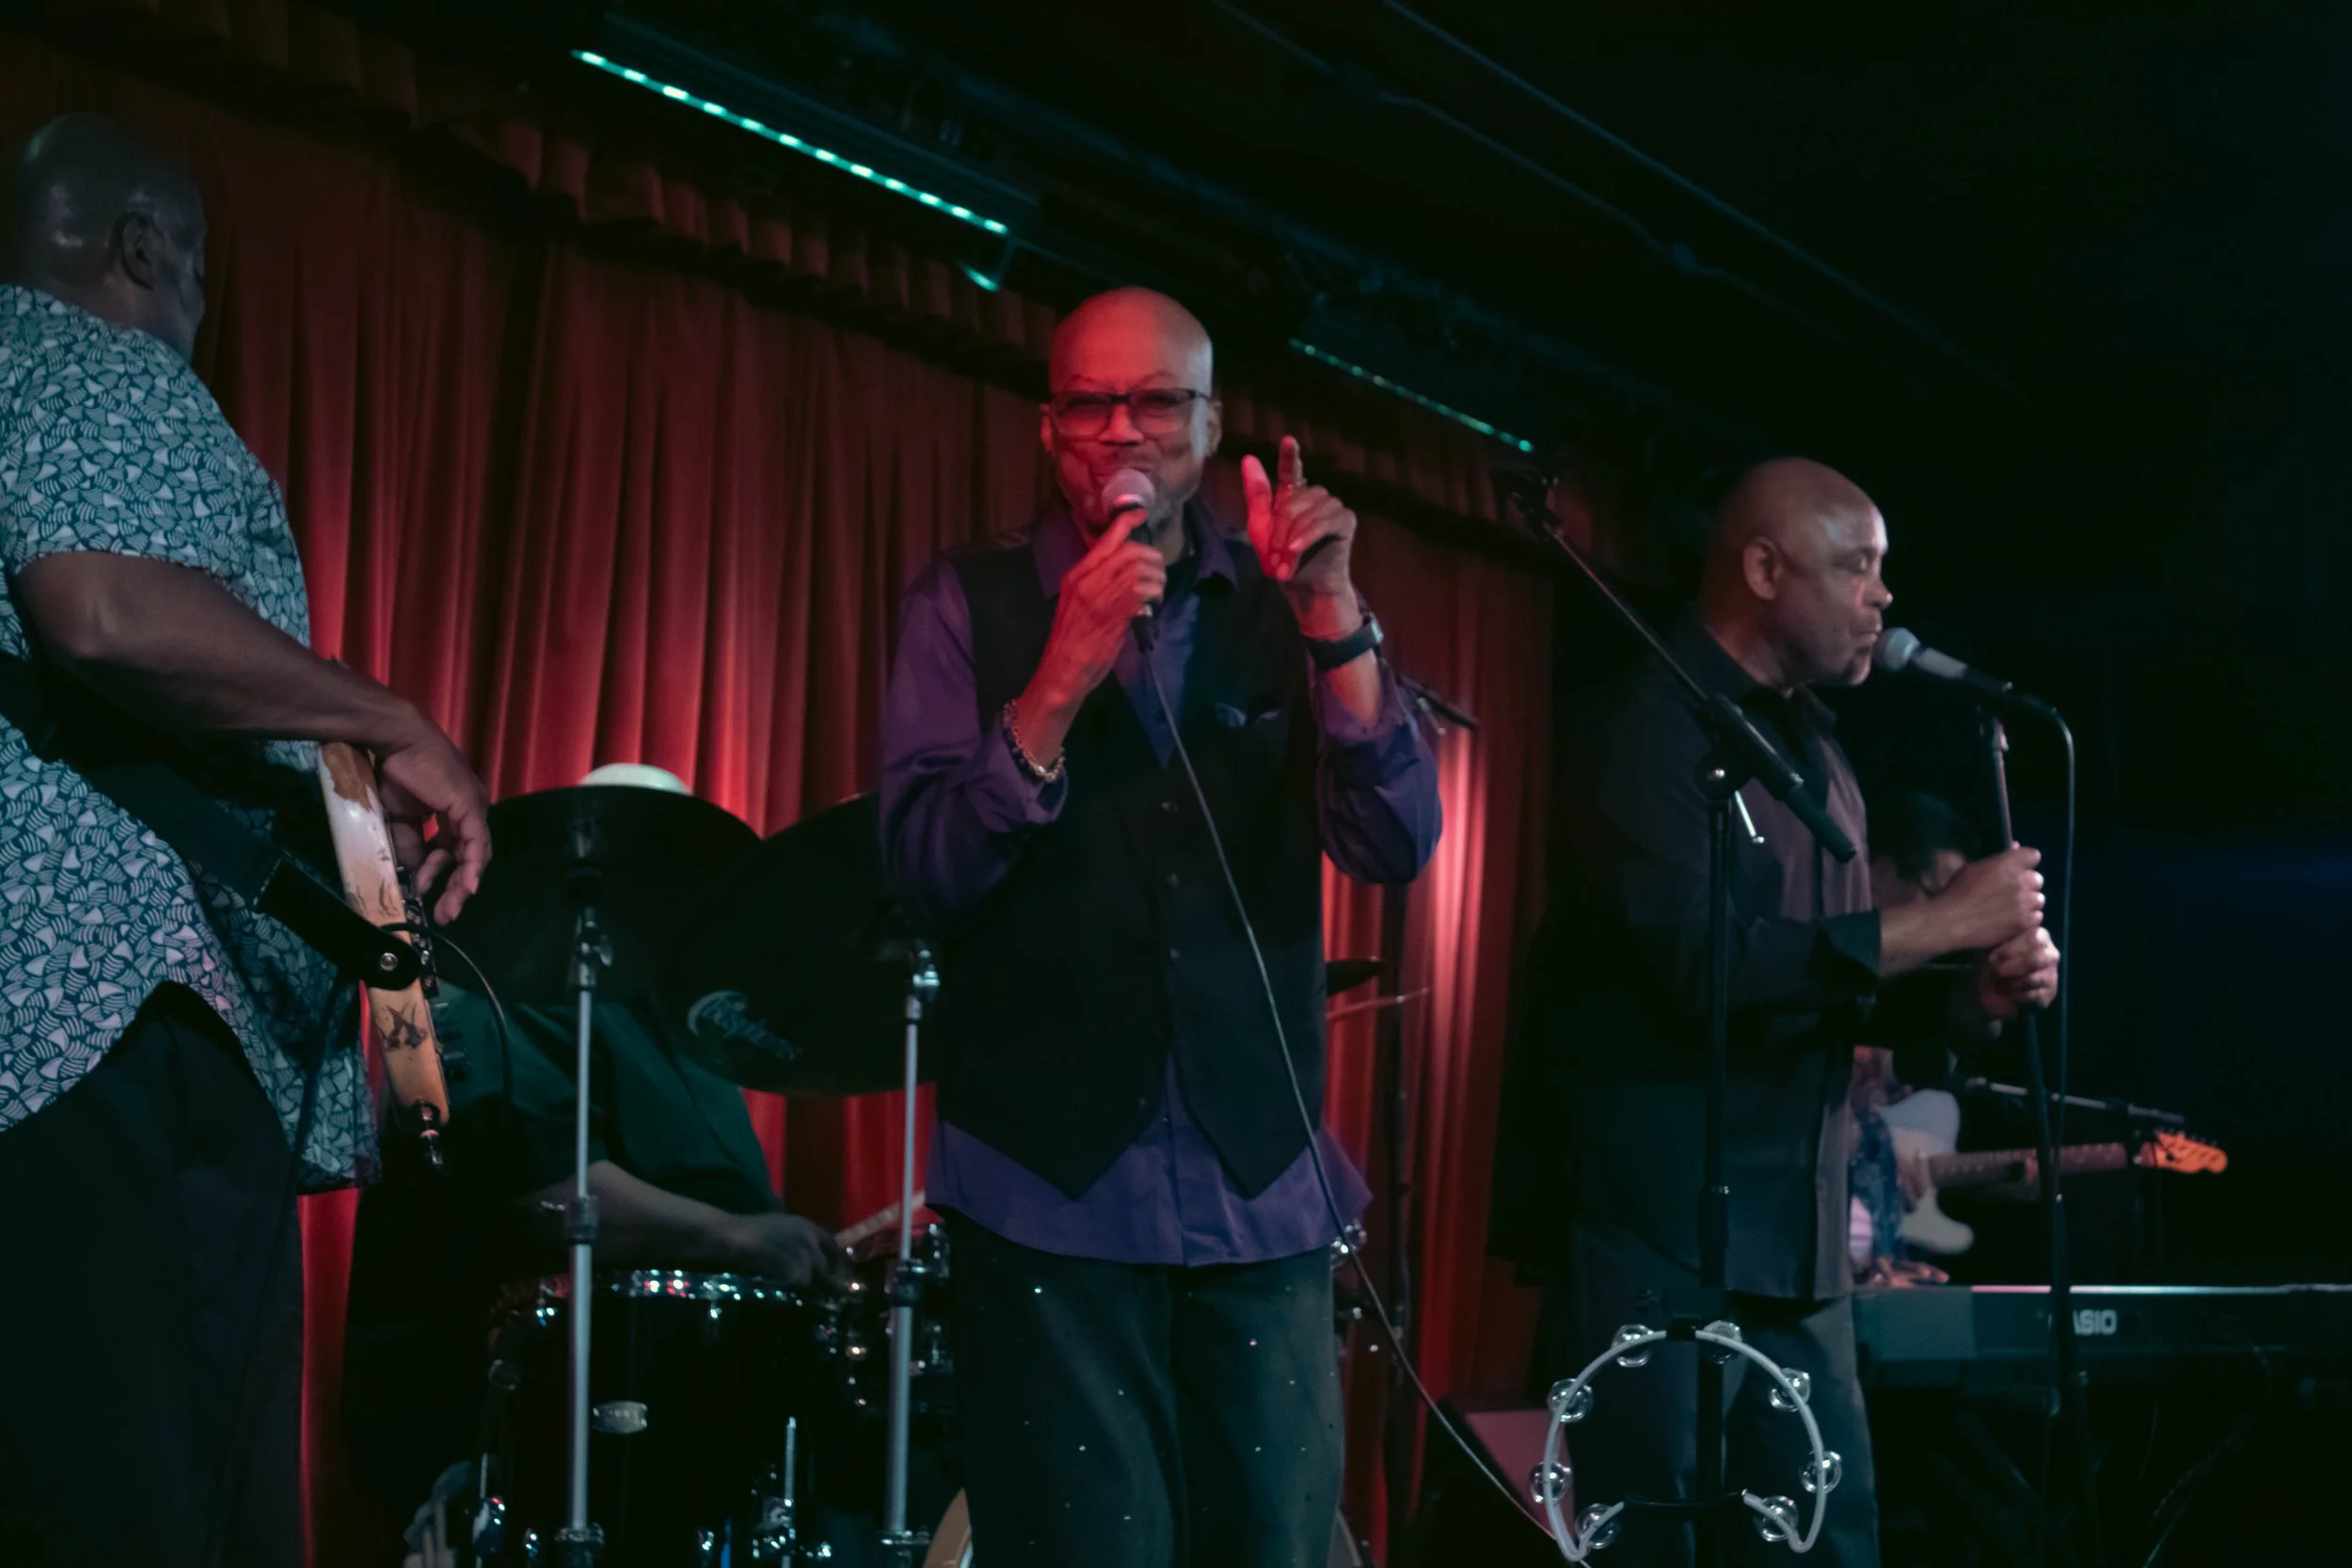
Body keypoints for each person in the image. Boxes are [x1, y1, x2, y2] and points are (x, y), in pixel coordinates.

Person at [880, 286, 1440, 1567]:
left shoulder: (1286, 602)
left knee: (1281, 1544)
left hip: (1259, 1187)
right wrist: (1058, 681)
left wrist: (1336, 617)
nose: (1124, 430)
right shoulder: (965, 602)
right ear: (1048, 425)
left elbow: (1397, 840)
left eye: (1158, 402)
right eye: (1092, 401)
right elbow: (920, 870)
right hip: (1047, 1192)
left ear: (1213, 421)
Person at [0, 115, 492, 1568]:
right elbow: (101, 607)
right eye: (203, 281)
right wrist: (388, 717)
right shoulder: (94, 362)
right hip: (118, 1028)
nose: (198, 322)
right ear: (145, 249)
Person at [1490, 459, 2058, 1566]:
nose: (1881, 598)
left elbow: (1825, 993)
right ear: (1762, 568)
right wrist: (1938, 921)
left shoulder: (1818, 753)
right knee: (1650, 1542)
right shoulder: (1647, 728)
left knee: (1827, 1544)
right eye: (1856, 567)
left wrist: (1965, 999)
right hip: (1657, 1242)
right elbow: (1703, 968)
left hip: (1796, 1251)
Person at [342, 765, 846, 1538]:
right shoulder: (491, 982)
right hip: (513, 1413)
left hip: (678, 1401)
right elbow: (529, 1185)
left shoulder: (684, 1025)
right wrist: (734, 1238)